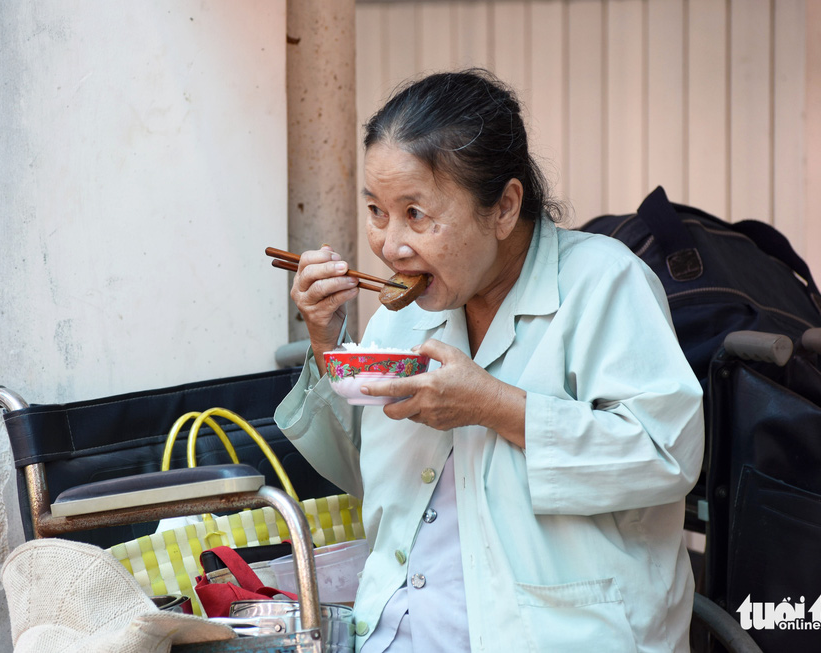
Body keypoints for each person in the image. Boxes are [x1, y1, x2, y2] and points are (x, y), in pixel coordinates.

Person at [274, 69, 704, 653]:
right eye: (377, 211)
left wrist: (493, 406)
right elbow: (368, 480)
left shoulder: (601, 282)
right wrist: (327, 343)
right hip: (401, 633)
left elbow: (666, 456)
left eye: (416, 214)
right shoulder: (403, 314)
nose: (391, 244)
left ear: (503, 207)